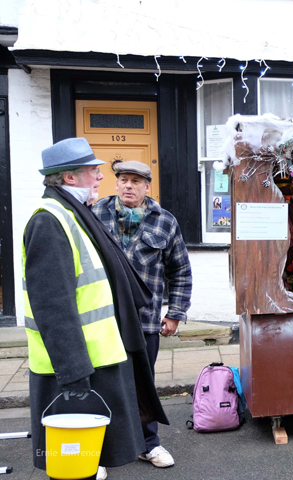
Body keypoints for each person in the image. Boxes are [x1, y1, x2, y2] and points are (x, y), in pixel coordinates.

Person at [24, 138, 168, 480]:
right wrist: (73, 372)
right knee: (74, 463)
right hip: (76, 366)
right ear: (70, 178)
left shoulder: (74, 213)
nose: (101, 178)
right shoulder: (50, 221)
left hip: (97, 356)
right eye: (93, 171)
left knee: (88, 457)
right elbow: (53, 305)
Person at [93, 160, 192, 469]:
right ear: (117, 182)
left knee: (143, 385)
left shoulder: (165, 221)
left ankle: (148, 444)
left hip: (146, 321)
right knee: (103, 385)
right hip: (103, 320)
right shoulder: (95, 214)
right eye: (123, 179)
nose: (128, 185)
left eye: (136, 180)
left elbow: (180, 272)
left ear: (147, 186)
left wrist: (175, 313)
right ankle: (101, 451)